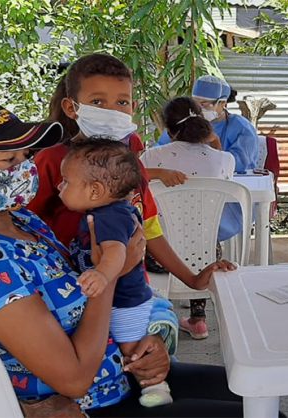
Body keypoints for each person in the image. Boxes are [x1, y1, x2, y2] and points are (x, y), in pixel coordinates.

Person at [0, 97, 274, 417]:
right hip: (92, 403)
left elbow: (73, 305)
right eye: (8, 162)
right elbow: (73, 380)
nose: (25, 169)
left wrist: (142, 340)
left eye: (25, 156)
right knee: (260, 411)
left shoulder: (21, 222)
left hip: (119, 373)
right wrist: (112, 276)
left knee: (259, 395)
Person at [29, 53, 224, 314]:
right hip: (71, 299)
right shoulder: (52, 160)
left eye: (122, 101)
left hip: (131, 296)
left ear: (133, 106)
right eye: (97, 101)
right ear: (71, 107)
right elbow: (28, 232)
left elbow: (148, 226)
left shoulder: (131, 151)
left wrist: (191, 279)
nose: (111, 111)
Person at [59, 137, 178, 407]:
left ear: (95, 190)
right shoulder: (111, 211)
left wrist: (103, 275)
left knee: (133, 350)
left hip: (123, 302)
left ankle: (156, 389)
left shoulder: (109, 218)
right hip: (126, 295)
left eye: (66, 182)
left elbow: (116, 252)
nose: (60, 187)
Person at [141, 97, 242, 340]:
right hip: (207, 257)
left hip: (158, 255)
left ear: (169, 131)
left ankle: (159, 315)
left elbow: (131, 175)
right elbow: (221, 174)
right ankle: (198, 320)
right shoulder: (225, 159)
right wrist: (216, 143)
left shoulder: (151, 157)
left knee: (155, 235)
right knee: (203, 241)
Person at [156, 75, 260, 174]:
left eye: (205, 104)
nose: (199, 109)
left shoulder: (242, 128)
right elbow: (159, 152)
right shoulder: (184, 122)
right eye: (195, 104)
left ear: (222, 103)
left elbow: (237, 165)